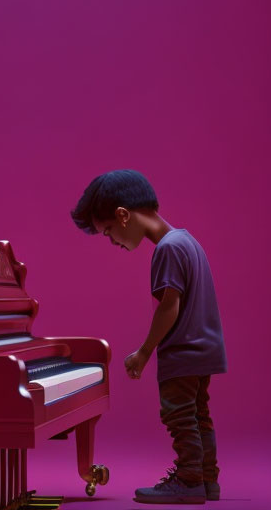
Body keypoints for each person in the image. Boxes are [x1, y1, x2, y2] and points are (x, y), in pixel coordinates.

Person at [70, 169, 226, 505]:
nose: (112, 241)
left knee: (178, 414)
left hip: (184, 351)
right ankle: (207, 480)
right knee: (198, 414)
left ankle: (188, 480)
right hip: (206, 349)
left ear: (124, 215)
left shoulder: (166, 250)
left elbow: (169, 307)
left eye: (109, 231)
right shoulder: (187, 240)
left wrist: (143, 352)